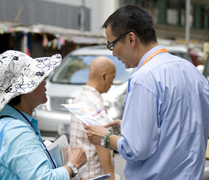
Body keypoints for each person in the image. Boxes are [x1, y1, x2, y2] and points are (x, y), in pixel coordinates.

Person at [85, 5, 209, 180]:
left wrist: (104, 138)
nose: (112, 52)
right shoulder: (192, 71)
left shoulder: (144, 78)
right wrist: (133, 124)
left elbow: (136, 148)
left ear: (130, 39)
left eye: (111, 44)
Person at [0, 50, 87, 180]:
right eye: (38, 77)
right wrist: (72, 166)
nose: (44, 81)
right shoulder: (17, 132)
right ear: (25, 89)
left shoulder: (8, 124)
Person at [70, 56, 117, 180]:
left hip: (81, 173)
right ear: (104, 76)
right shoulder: (94, 104)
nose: (112, 83)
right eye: (112, 78)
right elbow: (102, 143)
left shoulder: (80, 96)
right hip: (95, 175)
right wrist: (111, 177)